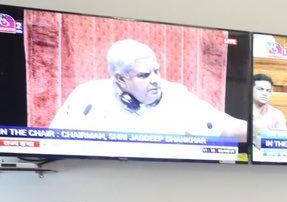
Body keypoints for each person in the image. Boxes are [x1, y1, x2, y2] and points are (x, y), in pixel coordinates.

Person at [49, 39, 247, 138]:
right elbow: (51, 143)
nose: (156, 80)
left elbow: (225, 126)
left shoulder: (177, 95)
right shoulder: (87, 97)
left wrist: (262, 132)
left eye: (157, 71)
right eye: (144, 75)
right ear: (120, 79)